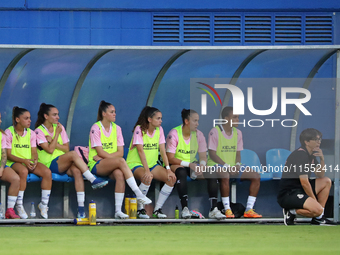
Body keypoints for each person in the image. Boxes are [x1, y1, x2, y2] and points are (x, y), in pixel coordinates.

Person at [34, 103, 109, 218]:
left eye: (58, 114)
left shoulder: (60, 127)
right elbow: (49, 150)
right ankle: (92, 179)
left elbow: (66, 148)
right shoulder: (39, 131)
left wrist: (53, 140)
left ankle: (81, 210)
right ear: (46, 116)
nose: (57, 117)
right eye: (54, 115)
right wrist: (56, 135)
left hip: (63, 161)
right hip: (49, 163)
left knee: (77, 171)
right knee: (73, 154)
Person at [88, 101, 152, 219]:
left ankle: (118, 211)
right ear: (104, 114)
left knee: (119, 174)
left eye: (115, 112)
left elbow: (121, 153)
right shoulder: (95, 128)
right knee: (121, 161)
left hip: (108, 162)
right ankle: (138, 193)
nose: (115, 114)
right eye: (111, 112)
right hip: (96, 164)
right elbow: (100, 152)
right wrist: (112, 157)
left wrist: (106, 157)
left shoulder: (117, 128)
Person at [207, 106, 262, 218]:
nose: (238, 120)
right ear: (226, 118)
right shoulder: (215, 132)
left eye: (238, 117)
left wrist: (237, 165)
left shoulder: (238, 133)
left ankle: (248, 210)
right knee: (225, 174)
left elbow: (238, 154)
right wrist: (227, 166)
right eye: (235, 117)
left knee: (256, 176)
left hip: (232, 165)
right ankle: (227, 209)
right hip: (215, 165)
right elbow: (212, 154)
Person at [277, 128, 336, 225]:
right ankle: (291, 212)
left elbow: (320, 174)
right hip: (289, 193)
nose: (319, 142)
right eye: (316, 140)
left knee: (326, 181)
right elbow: (304, 182)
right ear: (306, 142)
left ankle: (318, 219)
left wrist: (322, 159)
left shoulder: (311, 154)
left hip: (301, 189)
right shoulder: (300, 155)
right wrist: (315, 201)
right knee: (318, 210)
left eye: (319, 139)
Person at [126, 106, 176, 219]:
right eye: (158, 118)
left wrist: (168, 169)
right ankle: (140, 209)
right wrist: (147, 171)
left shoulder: (160, 130)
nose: (160, 121)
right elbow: (140, 151)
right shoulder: (139, 129)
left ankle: (157, 209)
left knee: (171, 178)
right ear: (149, 119)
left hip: (152, 164)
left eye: (161, 118)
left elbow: (163, 151)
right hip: (135, 163)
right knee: (147, 177)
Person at [6, 107, 52, 219]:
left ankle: (44, 205)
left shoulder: (31, 133)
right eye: (26, 118)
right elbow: (8, 154)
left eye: (30, 118)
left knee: (47, 172)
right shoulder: (9, 132)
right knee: (23, 171)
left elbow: (34, 152)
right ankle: (19, 205)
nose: (29, 121)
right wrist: (24, 161)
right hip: (14, 162)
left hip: (27, 161)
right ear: (17, 119)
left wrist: (34, 160)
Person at [166, 109, 207, 218]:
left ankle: (215, 208)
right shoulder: (174, 133)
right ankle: (185, 209)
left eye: (198, 121)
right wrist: (190, 165)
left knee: (213, 173)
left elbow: (203, 156)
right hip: (176, 164)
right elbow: (170, 158)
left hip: (192, 165)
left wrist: (202, 166)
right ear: (186, 121)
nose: (197, 124)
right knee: (181, 172)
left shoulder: (199, 135)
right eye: (195, 121)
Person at [0, 112, 20, 219]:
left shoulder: (2, 135)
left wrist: (2, 167)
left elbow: (4, 155)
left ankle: (10, 211)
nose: (1, 121)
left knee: (16, 179)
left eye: (0, 118)